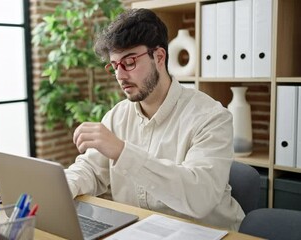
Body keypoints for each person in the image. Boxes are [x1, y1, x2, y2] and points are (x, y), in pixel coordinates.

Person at [64, 8, 244, 231]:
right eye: (115, 66)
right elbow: (90, 170)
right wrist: (61, 188)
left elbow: (200, 198)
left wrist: (122, 151)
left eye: (129, 62)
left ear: (159, 56)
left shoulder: (211, 117)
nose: (120, 75)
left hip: (206, 233)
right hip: (140, 231)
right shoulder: (117, 115)